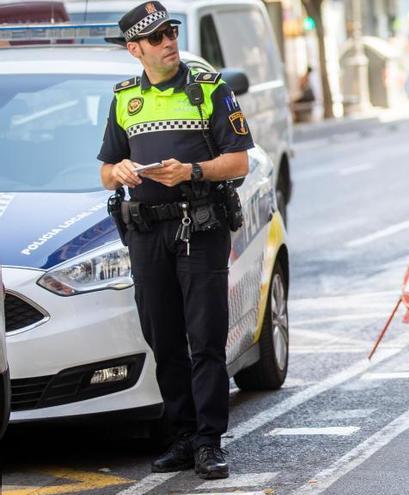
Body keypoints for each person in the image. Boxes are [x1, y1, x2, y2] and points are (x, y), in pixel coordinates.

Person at [98, 1, 253, 479]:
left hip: (198, 226)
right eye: (158, 37)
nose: (169, 42)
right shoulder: (125, 97)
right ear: (135, 50)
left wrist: (192, 171)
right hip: (146, 232)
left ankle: (209, 441)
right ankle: (182, 436)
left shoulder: (209, 89)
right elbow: (105, 169)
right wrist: (118, 171)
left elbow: (240, 162)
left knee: (204, 338)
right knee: (163, 337)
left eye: (171, 32)